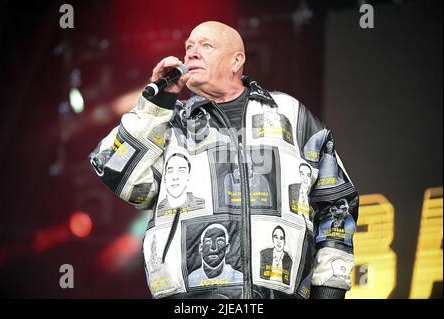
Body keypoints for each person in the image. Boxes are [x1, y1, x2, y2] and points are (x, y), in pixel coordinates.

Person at [89, 21, 359, 299]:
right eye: (189, 47)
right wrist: (156, 107)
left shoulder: (291, 116)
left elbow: (337, 204)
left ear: (236, 60)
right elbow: (114, 169)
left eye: (206, 46)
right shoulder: (172, 124)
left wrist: (329, 292)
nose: (192, 53)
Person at [156, 152, 205, 217]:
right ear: (164, 177)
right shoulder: (157, 211)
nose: (175, 177)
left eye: (181, 171)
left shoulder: (201, 205)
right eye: (170, 171)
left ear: (188, 176)